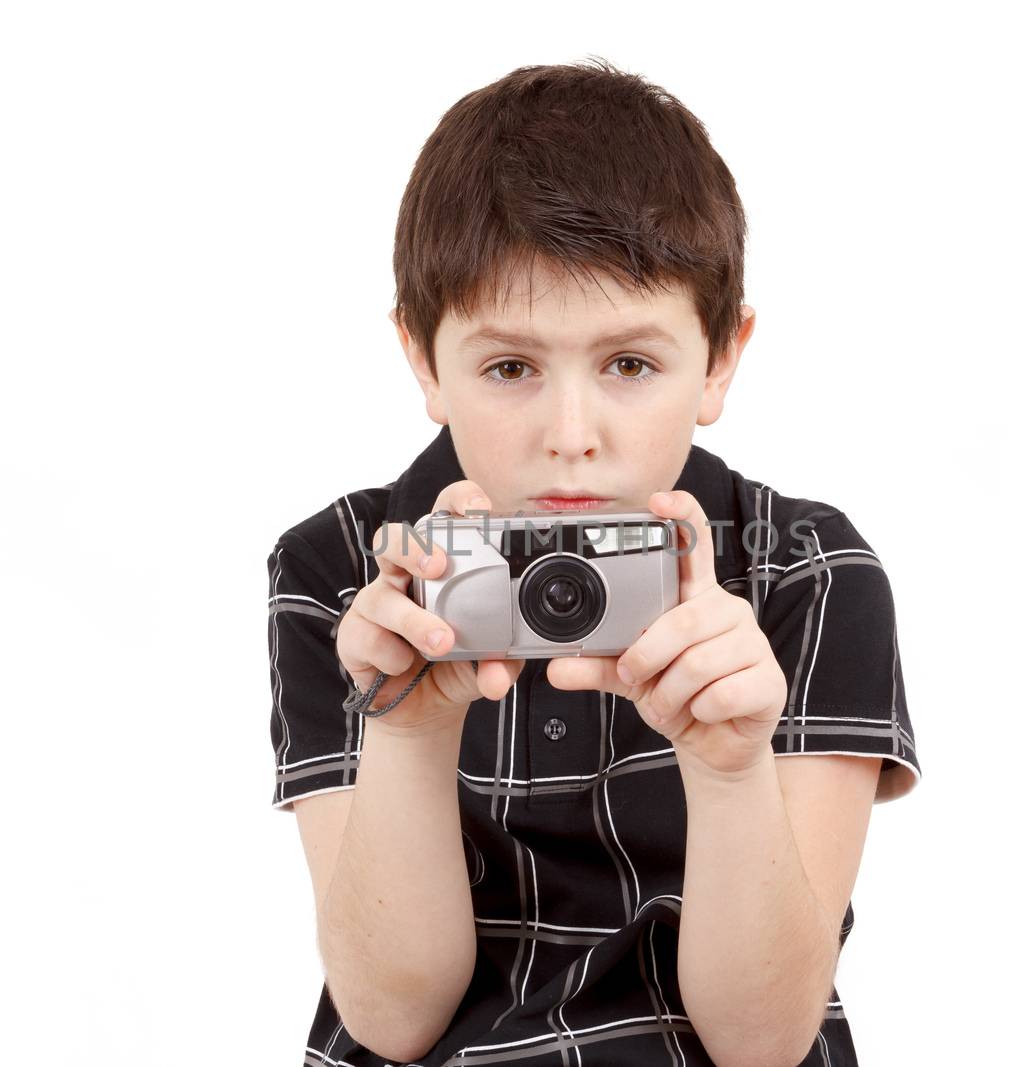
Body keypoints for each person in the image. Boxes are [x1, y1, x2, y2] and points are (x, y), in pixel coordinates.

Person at [266, 58, 922, 1067]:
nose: (571, 433)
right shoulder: (347, 568)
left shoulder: (808, 570)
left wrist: (729, 765)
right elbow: (391, 1017)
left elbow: (762, 1039)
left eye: (628, 364)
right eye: (510, 366)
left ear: (719, 361)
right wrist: (407, 730)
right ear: (421, 361)